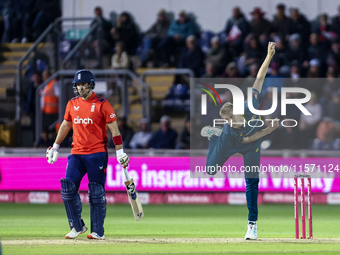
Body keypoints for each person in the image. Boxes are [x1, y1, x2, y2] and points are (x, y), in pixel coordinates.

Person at [201, 42, 279, 240]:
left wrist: (269, 55)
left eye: (230, 119)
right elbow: (249, 137)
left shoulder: (250, 105)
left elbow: (259, 78)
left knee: (251, 182)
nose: (230, 122)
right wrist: (269, 129)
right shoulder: (230, 131)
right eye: (226, 121)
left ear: (236, 112)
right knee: (210, 170)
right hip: (231, 142)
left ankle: (252, 225)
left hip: (251, 146)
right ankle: (214, 135)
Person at [46, 69, 130, 240]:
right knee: (68, 188)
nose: (81, 88)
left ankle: (98, 231)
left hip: (97, 154)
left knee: (96, 192)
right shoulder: (72, 103)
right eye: (78, 85)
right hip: (76, 153)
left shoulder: (102, 104)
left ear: (91, 85)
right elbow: (65, 125)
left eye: (84, 84)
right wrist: (55, 146)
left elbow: (114, 129)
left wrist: (120, 151)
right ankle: (77, 227)